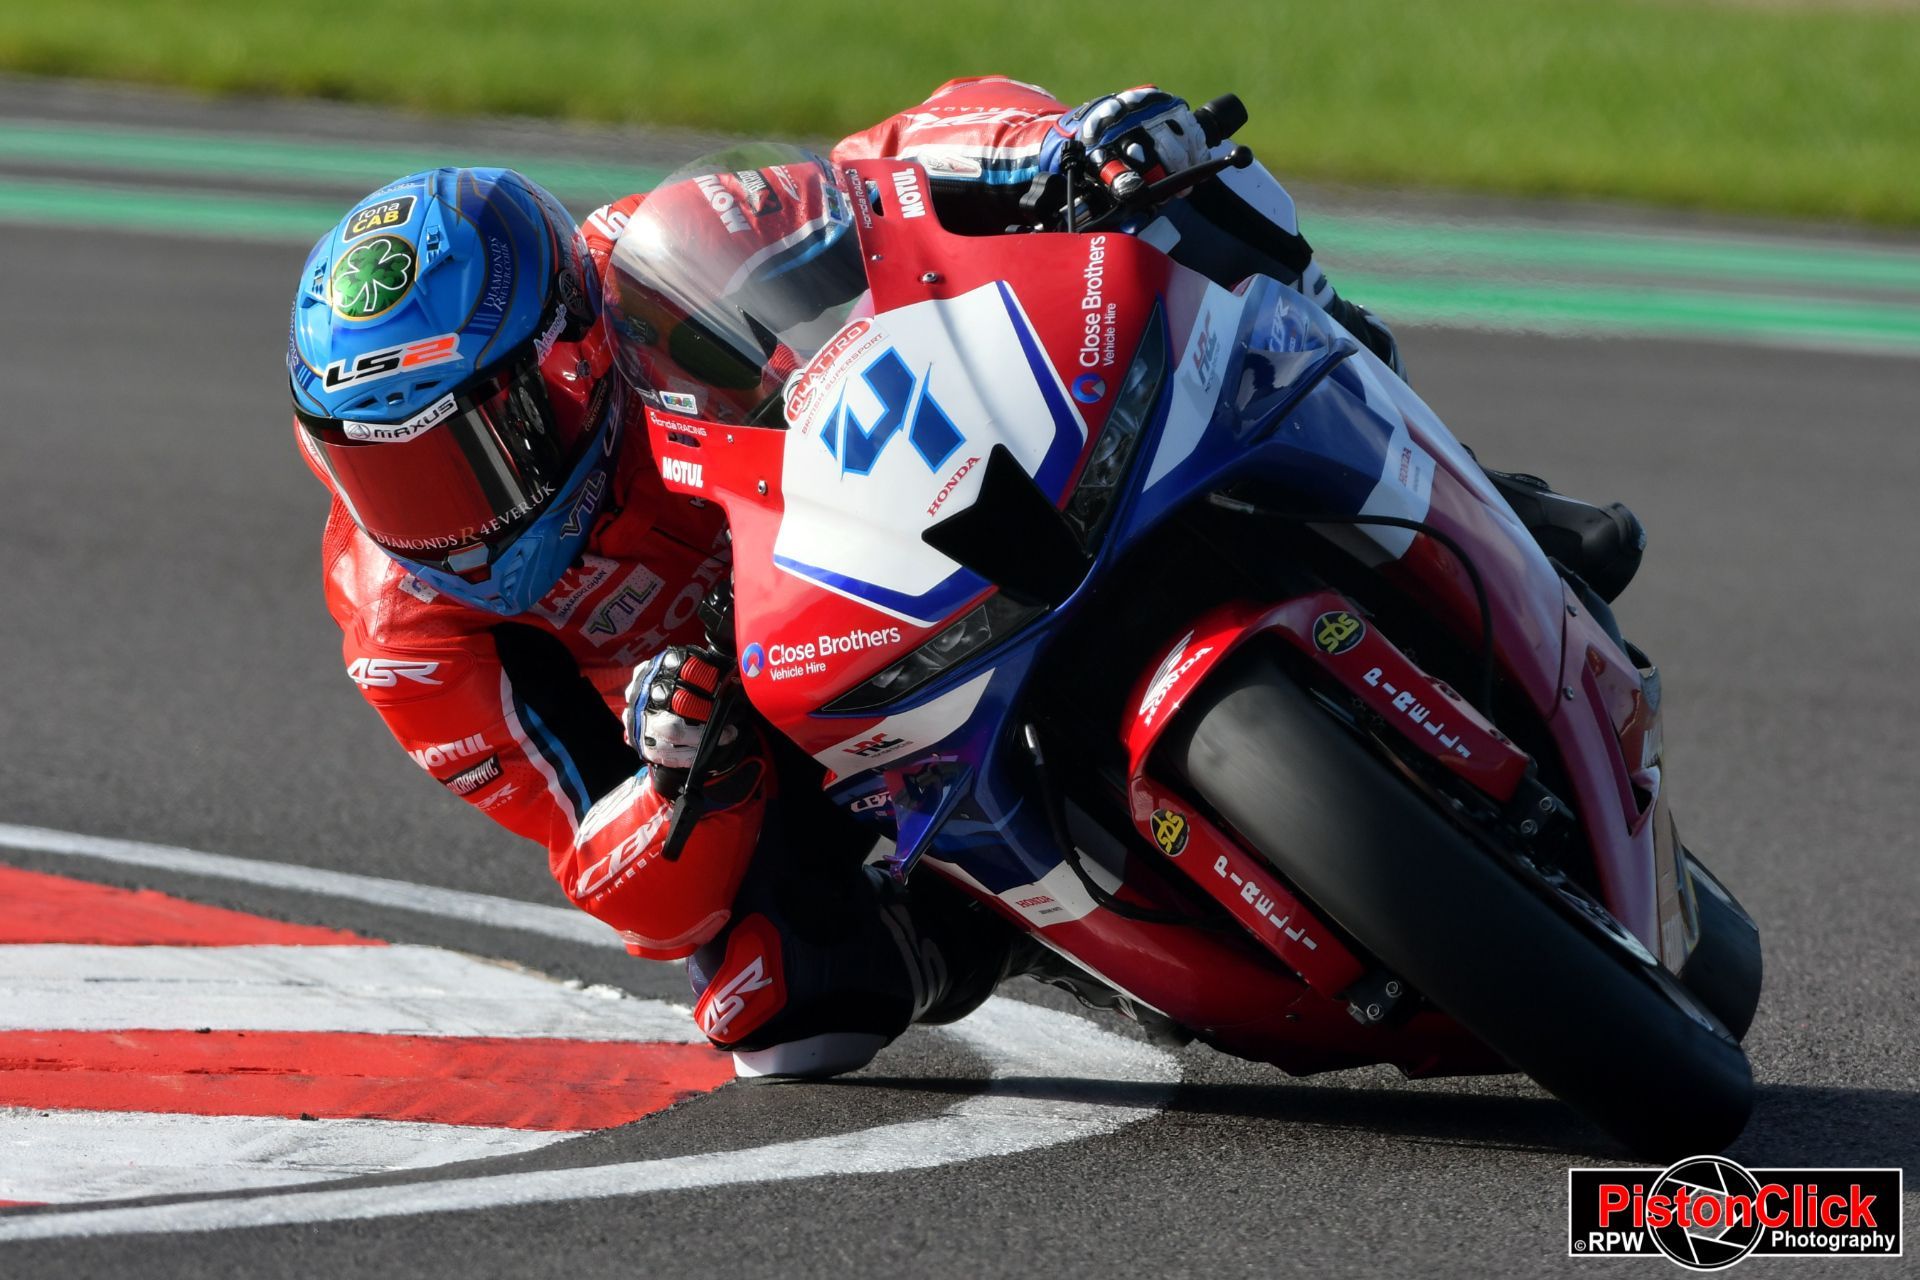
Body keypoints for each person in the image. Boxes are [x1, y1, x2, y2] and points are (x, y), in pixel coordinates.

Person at [287, 79, 1642, 1080]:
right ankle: (1034, 926)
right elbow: (613, 880)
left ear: (569, 357)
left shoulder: (647, 258)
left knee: (1182, 190)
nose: (449, 522)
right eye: (386, 477)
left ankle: (1465, 484)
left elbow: (884, 174)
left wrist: (1056, 151)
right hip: (767, 726)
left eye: (471, 452)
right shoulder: (411, 632)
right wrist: (681, 771)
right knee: (774, 1006)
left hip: (884, 510)